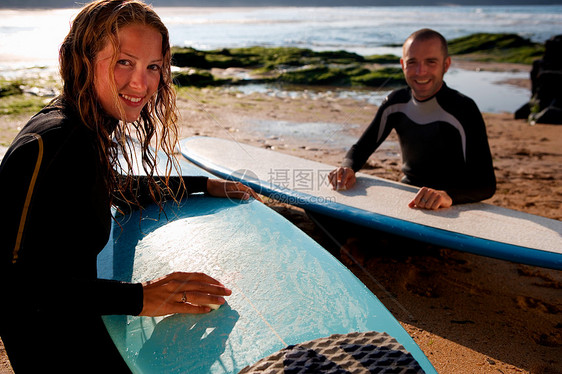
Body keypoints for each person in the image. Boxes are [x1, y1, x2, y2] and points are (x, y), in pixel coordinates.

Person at [0, 1, 260, 372]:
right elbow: (15, 284)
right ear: (81, 59)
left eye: (153, 67)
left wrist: (204, 184)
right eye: (125, 62)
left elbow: (111, 187)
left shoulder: (76, 126)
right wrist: (140, 297)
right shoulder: (59, 141)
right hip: (54, 347)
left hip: (75, 322)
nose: (142, 83)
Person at [321, 28, 496, 264]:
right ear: (403, 64)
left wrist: (448, 196)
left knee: (416, 239)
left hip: (450, 203)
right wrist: (348, 167)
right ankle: (360, 242)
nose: (420, 71)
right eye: (412, 62)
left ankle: (358, 243)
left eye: (430, 62)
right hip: (409, 195)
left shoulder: (463, 109)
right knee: (323, 206)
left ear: (446, 64)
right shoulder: (395, 103)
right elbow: (361, 148)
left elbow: (486, 184)